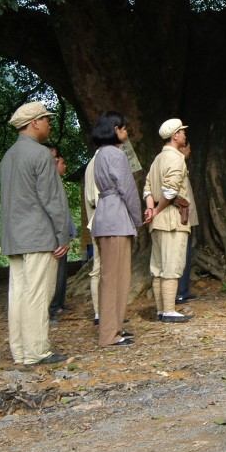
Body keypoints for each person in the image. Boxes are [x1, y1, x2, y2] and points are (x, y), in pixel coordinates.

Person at [0, 102, 70, 365]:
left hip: (14, 237)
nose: (49, 125)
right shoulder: (40, 154)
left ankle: (20, 351)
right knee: (38, 294)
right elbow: (53, 199)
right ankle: (37, 351)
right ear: (35, 122)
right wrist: (63, 235)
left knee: (17, 294)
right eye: (47, 120)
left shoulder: (9, 156)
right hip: (39, 236)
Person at [92, 112, 142, 346]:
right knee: (116, 278)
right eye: (123, 129)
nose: (126, 133)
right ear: (115, 129)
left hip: (104, 215)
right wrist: (138, 218)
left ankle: (113, 327)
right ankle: (110, 333)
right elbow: (128, 190)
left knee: (109, 277)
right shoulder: (116, 154)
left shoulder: (100, 154)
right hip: (117, 218)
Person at [143, 118, 193, 322]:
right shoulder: (176, 159)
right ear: (174, 135)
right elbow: (171, 191)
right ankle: (170, 310)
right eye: (182, 132)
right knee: (171, 266)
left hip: (158, 221)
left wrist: (150, 208)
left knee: (158, 267)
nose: (184, 135)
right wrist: (156, 209)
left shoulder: (157, 159)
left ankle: (161, 309)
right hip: (171, 218)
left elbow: (147, 187)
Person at [44, 146, 78, 323]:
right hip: (53, 238)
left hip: (61, 236)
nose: (59, 163)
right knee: (53, 276)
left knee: (61, 274)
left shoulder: (56, 182)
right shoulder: (46, 182)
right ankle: (51, 309)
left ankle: (58, 305)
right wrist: (61, 237)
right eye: (57, 159)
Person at [176, 140, 200, 304]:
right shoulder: (176, 166)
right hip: (180, 217)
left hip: (187, 217)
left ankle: (183, 290)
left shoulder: (183, 166)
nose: (190, 152)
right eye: (189, 148)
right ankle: (178, 293)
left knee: (187, 254)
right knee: (179, 255)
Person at [83, 149, 102, 324]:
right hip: (102, 224)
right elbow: (94, 198)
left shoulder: (93, 162)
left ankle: (102, 312)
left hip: (100, 223)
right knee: (100, 269)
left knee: (100, 268)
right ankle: (99, 312)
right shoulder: (98, 162)